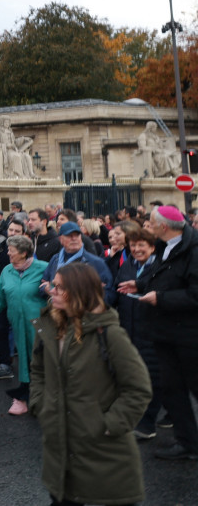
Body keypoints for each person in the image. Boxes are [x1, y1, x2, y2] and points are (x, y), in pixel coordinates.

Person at [31, 262, 151, 506]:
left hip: (104, 451)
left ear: (79, 292)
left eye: (59, 287)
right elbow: (38, 371)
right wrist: (40, 405)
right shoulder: (49, 327)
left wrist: (108, 425)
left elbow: (138, 388)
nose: (51, 290)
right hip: (60, 448)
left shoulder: (109, 334)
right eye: (53, 285)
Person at [124, 204, 198, 460]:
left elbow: (194, 294)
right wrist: (140, 284)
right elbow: (163, 277)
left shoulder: (194, 250)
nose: (148, 227)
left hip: (188, 335)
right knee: (171, 389)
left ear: (164, 227)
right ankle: (188, 443)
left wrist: (161, 298)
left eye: (151, 223)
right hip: (165, 333)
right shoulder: (167, 246)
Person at [0, 234, 48, 416]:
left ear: (24, 253)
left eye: (11, 251)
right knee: (23, 359)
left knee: (41, 360)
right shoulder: (7, 270)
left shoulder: (44, 268)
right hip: (17, 323)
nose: (8, 253)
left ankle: (43, 398)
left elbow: (56, 291)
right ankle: (23, 398)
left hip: (41, 325)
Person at [112, 226, 164, 439]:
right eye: (133, 245)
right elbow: (116, 291)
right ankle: (138, 415)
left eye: (141, 245)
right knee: (132, 376)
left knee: (152, 376)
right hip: (128, 329)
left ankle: (148, 424)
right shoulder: (127, 265)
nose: (136, 249)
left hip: (151, 330)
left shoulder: (161, 267)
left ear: (152, 247)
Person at [40, 221, 112, 294]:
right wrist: (46, 289)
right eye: (69, 235)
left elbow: (108, 293)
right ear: (61, 239)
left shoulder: (95, 262)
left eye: (77, 235)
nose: (74, 239)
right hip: (56, 303)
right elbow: (42, 284)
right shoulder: (55, 259)